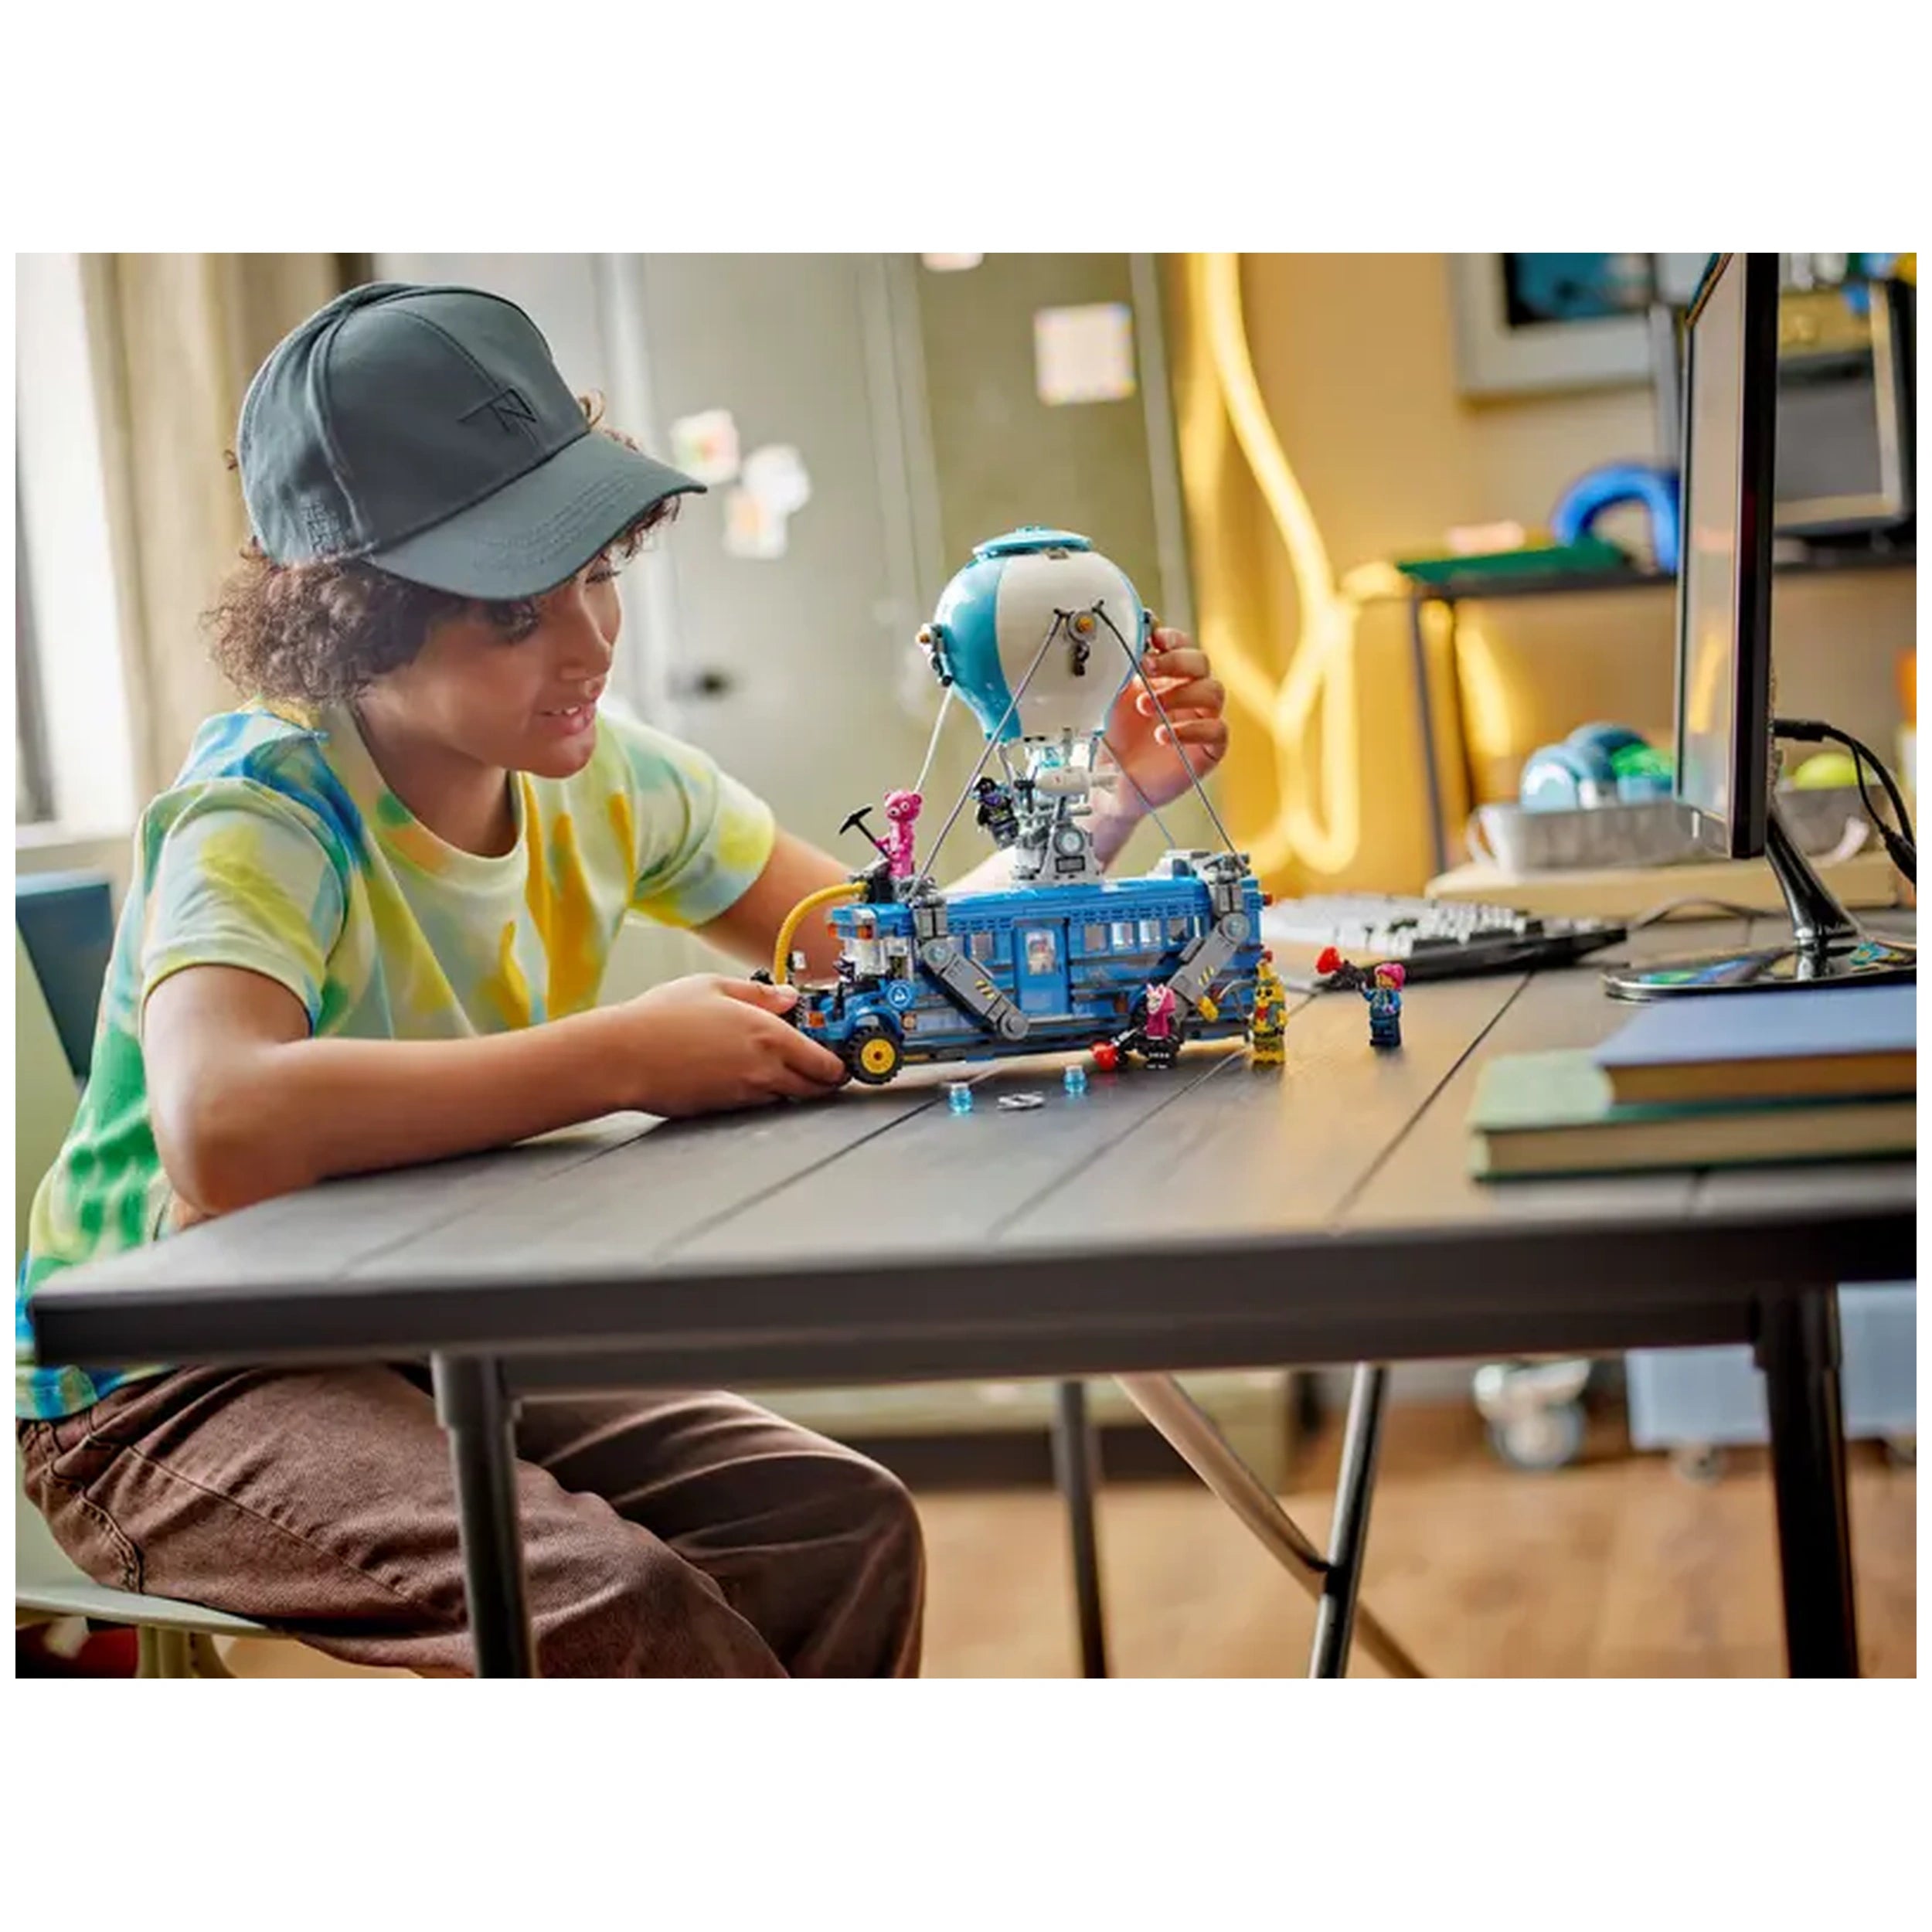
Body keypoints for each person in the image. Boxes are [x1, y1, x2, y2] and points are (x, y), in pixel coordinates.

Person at [15, 281, 1232, 1677]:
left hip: (413, 1323)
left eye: (598, 575)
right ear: (353, 624)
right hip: (164, 1390)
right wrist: (621, 1056)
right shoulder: (268, 810)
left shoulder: (616, 775)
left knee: (838, 1524)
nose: (593, 643)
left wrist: (1112, 806)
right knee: (609, 1606)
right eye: (514, 616)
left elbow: (907, 969)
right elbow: (223, 1133)